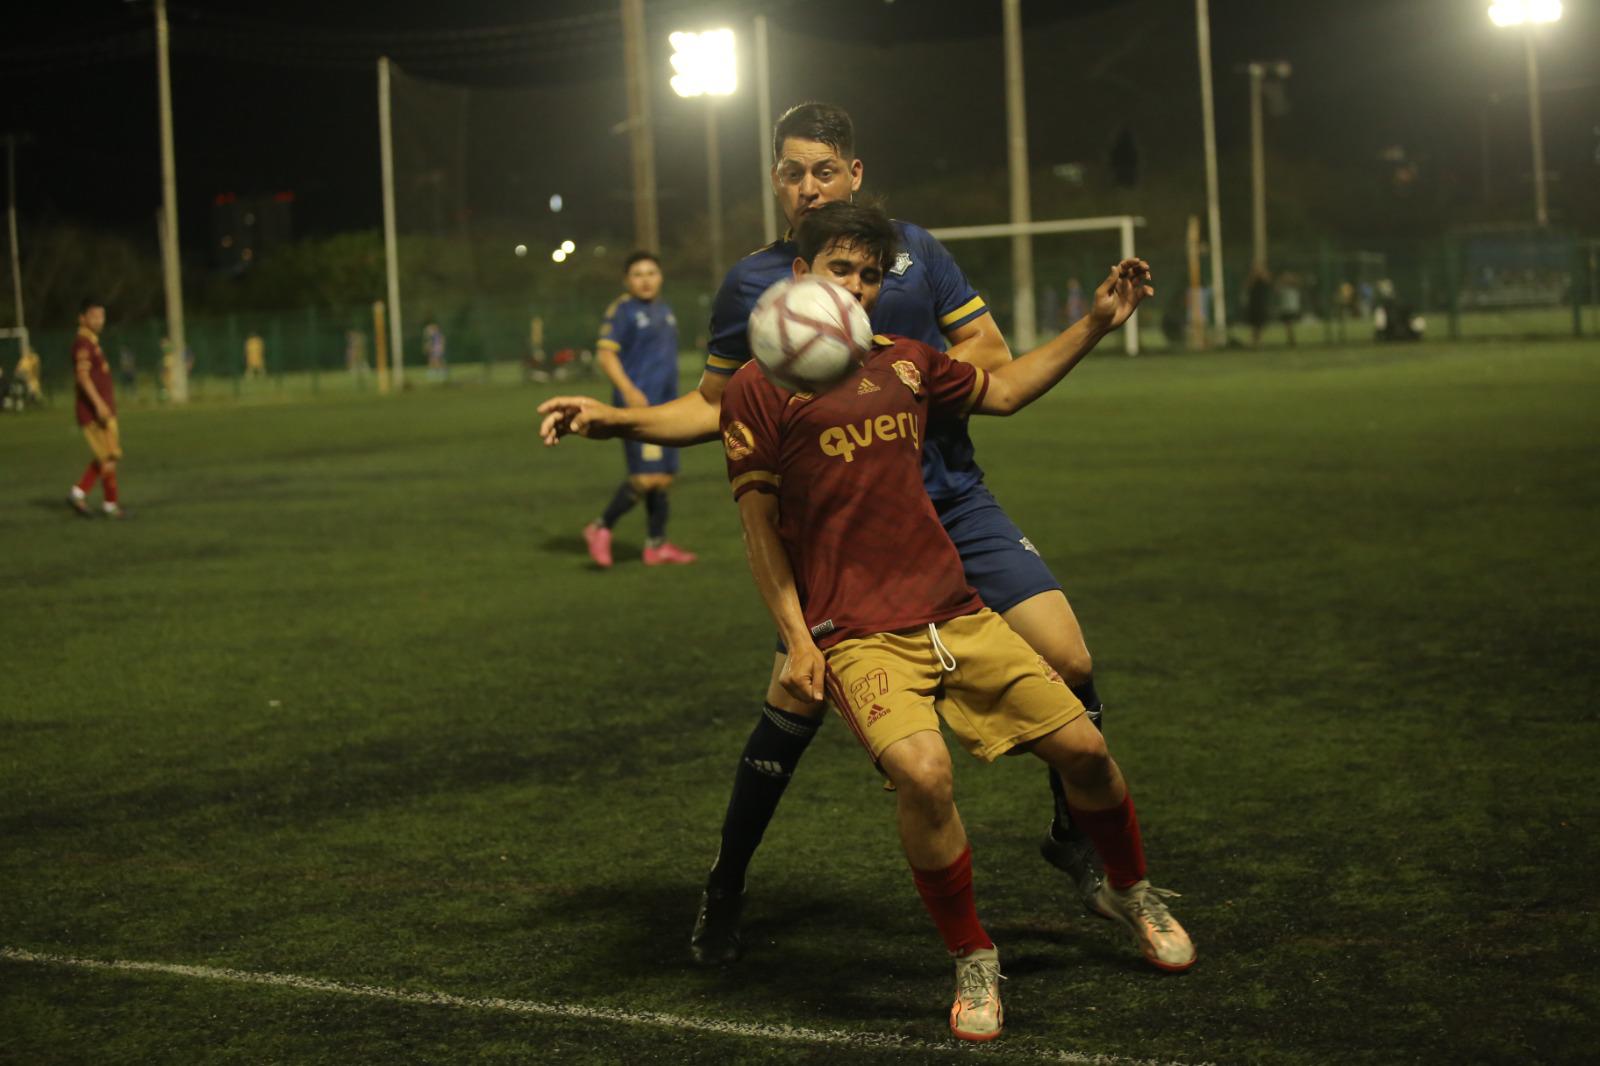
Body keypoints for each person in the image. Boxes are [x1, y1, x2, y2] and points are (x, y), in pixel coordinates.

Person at [539, 102, 1110, 965]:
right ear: (777, 181)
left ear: (854, 174)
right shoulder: (753, 284)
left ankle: (1075, 838)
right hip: (839, 525)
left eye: (823, 170)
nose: (807, 185)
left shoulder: (909, 252)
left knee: (1067, 657)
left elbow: (990, 362)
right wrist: (617, 420)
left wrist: (895, 366)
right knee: (795, 698)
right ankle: (724, 887)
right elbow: (713, 403)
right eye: (791, 171)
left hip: (950, 499)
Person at [721, 202, 1192, 1041]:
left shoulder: (905, 363)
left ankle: (1129, 890)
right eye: (841, 269)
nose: (858, 286)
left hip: (955, 610)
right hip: (858, 631)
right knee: (925, 776)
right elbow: (758, 530)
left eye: (870, 274)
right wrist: (798, 640)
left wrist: (1093, 323)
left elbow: (1005, 389)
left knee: (1085, 747)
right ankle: (973, 954)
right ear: (800, 276)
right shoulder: (761, 388)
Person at [583, 251, 697, 568]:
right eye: (638, 274)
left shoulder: (664, 310)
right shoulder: (623, 311)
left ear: (660, 277)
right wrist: (629, 390)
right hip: (638, 408)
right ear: (626, 280)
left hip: (666, 405)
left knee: (664, 478)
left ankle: (656, 546)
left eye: (651, 273)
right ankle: (600, 527)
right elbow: (606, 355)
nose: (645, 279)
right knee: (647, 478)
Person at [67, 298, 124, 519]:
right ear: (82, 318)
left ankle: (79, 492)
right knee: (108, 457)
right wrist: (99, 404)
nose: (100, 320)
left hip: (101, 410)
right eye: (94, 316)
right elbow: (82, 377)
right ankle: (110, 505)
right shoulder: (83, 343)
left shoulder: (92, 342)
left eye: (102, 315)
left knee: (108, 456)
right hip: (93, 412)